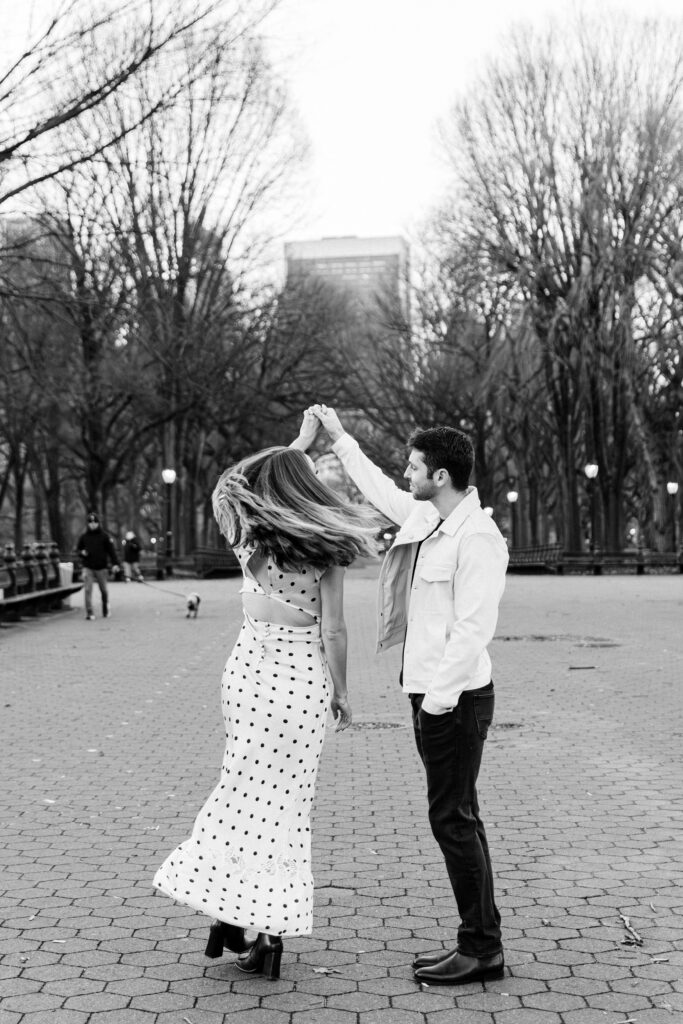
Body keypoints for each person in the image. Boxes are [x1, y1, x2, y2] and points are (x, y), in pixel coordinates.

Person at [153, 412, 380, 980]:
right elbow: (333, 631)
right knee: (286, 809)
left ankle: (231, 913)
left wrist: (295, 445)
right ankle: (268, 934)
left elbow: (229, 482)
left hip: (251, 679)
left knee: (239, 794)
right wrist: (343, 692)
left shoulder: (250, 538)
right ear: (310, 488)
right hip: (302, 686)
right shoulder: (327, 548)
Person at [308, 404, 508, 986]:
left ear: (440, 476)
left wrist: (439, 704)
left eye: (414, 466)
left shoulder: (478, 537)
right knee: (458, 817)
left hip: (456, 701)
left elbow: (473, 630)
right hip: (427, 696)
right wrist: (341, 439)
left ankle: (482, 949)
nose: (407, 474)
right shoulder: (427, 519)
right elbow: (375, 488)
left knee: (453, 819)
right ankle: (481, 941)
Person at [76, 512, 121, 621]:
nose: (92, 524)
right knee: (87, 589)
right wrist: (82, 553)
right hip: (88, 566)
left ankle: (105, 607)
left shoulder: (104, 536)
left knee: (104, 590)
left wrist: (115, 564)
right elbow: (78, 550)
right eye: (90, 522)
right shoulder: (84, 537)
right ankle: (89, 612)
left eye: (95, 522)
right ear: (87, 524)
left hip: (101, 567)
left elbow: (111, 551)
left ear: (98, 523)